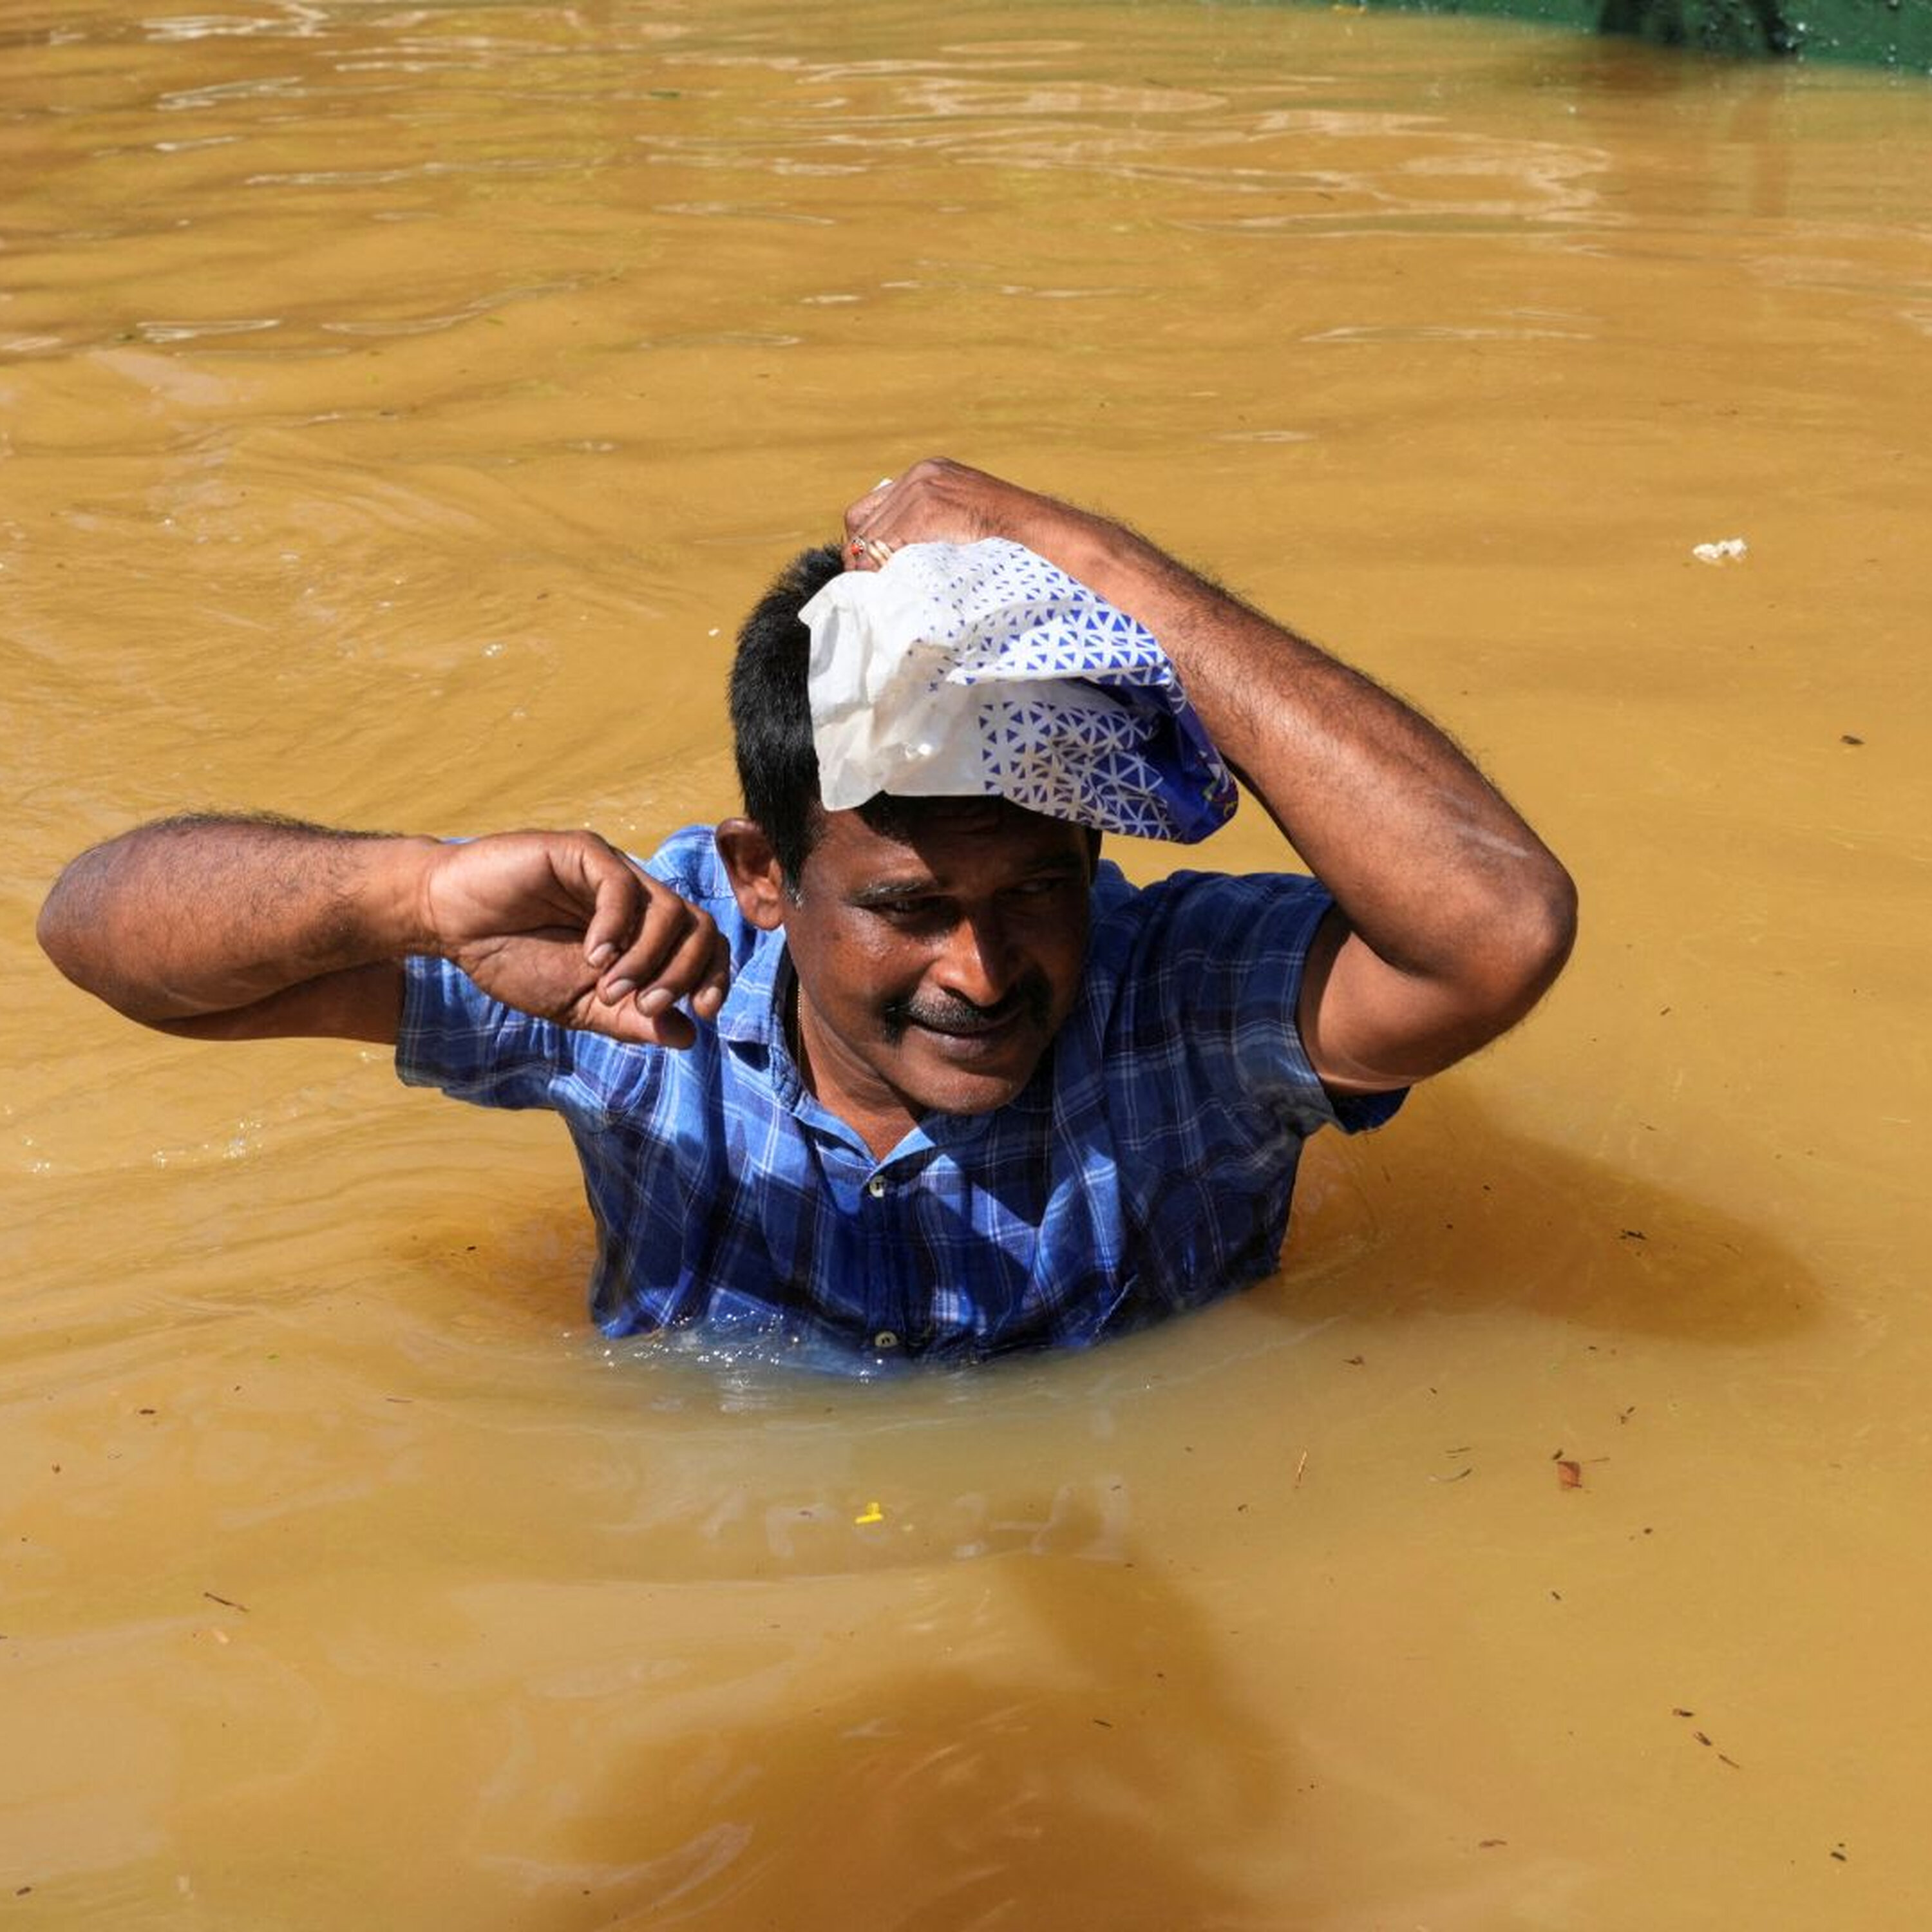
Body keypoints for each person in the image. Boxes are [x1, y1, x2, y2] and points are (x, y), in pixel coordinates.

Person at [37, 459, 1576, 1363]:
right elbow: (99, 937)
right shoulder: (636, 971)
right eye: (907, 906)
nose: (983, 969)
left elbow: (1497, 928)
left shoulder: (1184, 1003)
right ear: (763, 879)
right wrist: (414, 893)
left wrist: (1087, 561)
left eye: (1039, 888)